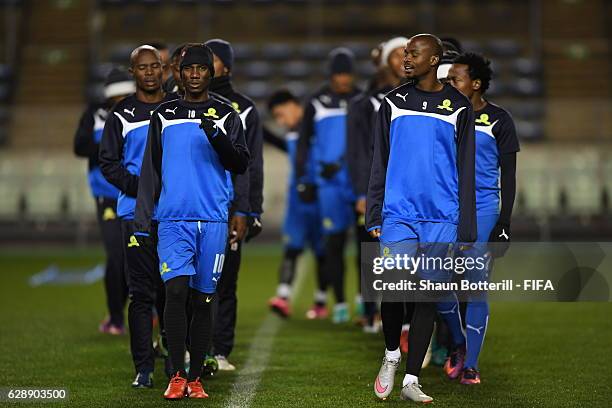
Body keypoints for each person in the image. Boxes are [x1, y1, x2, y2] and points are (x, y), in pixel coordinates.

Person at [134, 43, 249, 400]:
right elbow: (150, 171)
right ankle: (176, 373)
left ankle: (196, 377)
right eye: (189, 69)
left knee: (203, 300)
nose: (195, 74)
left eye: (202, 69)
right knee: (175, 291)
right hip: (172, 220)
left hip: (213, 220)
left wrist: (215, 135)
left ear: (210, 74)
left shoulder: (226, 114)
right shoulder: (164, 114)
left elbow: (241, 163)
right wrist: (142, 222)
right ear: (180, 74)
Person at [367, 34, 476, 402]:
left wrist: (467, 225)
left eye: (414, 54)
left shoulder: (459, 106)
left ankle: (411, 379)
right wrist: (374, 210)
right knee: (394, 288)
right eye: (405, 54)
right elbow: (378, 160)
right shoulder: (393, 102)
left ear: (434, 60)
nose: (406, 59)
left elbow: (466, 169)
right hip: (399, 213)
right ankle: (391, 355)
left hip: (442, 217)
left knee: (427, 297)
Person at [439, 52, 519, 385]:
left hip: (484, 208)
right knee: (435, 284)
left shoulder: (500, 119)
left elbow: (509, 177)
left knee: (474, 287)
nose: (448, 84)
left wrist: (503, 224)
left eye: (454, 79)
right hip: (446, 207)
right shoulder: (445, 114)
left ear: (475, 84)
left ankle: (470, 363)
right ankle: (458, 343)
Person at [99, 45, 176, 388]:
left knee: (172, 292)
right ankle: (143, 366)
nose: (148, 72)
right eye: (141, 67)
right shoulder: (121, 115)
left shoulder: (176, 108)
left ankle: (175, 362)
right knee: (142, 294)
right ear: (133, 73)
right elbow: (108, 163)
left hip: (174, 214)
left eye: (154, 66)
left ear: (163, 69)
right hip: (135, 215)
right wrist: (140, 186)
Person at [204, 38, 264, 371]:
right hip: (195, 206)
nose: (201, 68)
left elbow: (252, 164)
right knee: (190, 281)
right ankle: (187, 347)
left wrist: (248, 210)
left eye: (209, 61)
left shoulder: (244, 108)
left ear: (225, 66)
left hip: (229, 209)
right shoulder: (183, 102)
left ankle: (221, 349)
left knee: (225, 282)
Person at [347, 37, 408, 333]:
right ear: (385, 61)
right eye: (396, 55)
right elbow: (357, 150)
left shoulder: (419, 99)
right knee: (371, 249)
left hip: (407, 187)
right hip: (374, 185)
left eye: (407, 54)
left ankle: (403, 316)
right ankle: (371, 310)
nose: (402, 60)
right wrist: (361, 191)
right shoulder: (366, 103)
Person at [295, 47, 360, 323]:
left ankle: (365, 303)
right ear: (331, 75)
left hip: (358, 184)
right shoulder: (317, 103)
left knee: (364, 246)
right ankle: (341, 302)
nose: (343, 79)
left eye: (347, 74)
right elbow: (302, 144)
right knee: (333, 245)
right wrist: (304, 179)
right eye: (339, 74)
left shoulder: (362, 100)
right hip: (329, 185)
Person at [74, 67, 134, 335]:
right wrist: (110, 146)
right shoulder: (95, 115)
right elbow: (79, 146)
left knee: (143, 253)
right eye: (117, 97)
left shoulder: (139, 111)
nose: (122, 101)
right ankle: (116, 315)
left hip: (136, 193)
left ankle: (148, 308)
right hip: (107, 195)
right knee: (117, 255)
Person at [266, 90, 326, 318]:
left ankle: (321, 301)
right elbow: (288, 149)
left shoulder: (317, 126)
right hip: (297, 199)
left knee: (323, 252)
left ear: (293, 105)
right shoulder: (292, 133)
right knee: (292, 247)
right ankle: (282, 296)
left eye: (281, 114)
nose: (281, 121)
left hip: (320, 196)